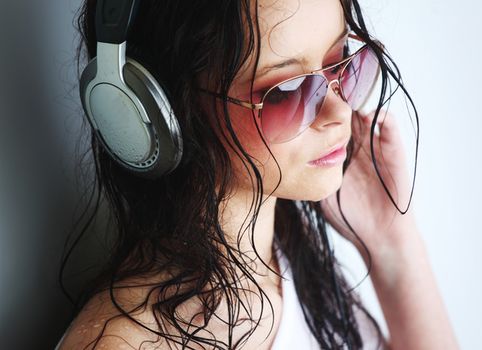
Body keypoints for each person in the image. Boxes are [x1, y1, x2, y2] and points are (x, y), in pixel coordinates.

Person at [55, 0, 458, 348]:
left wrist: (391, 240)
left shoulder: (291, 268)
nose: (339, 113)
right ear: (158, 112)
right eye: (285, 91)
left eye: (343, 64)